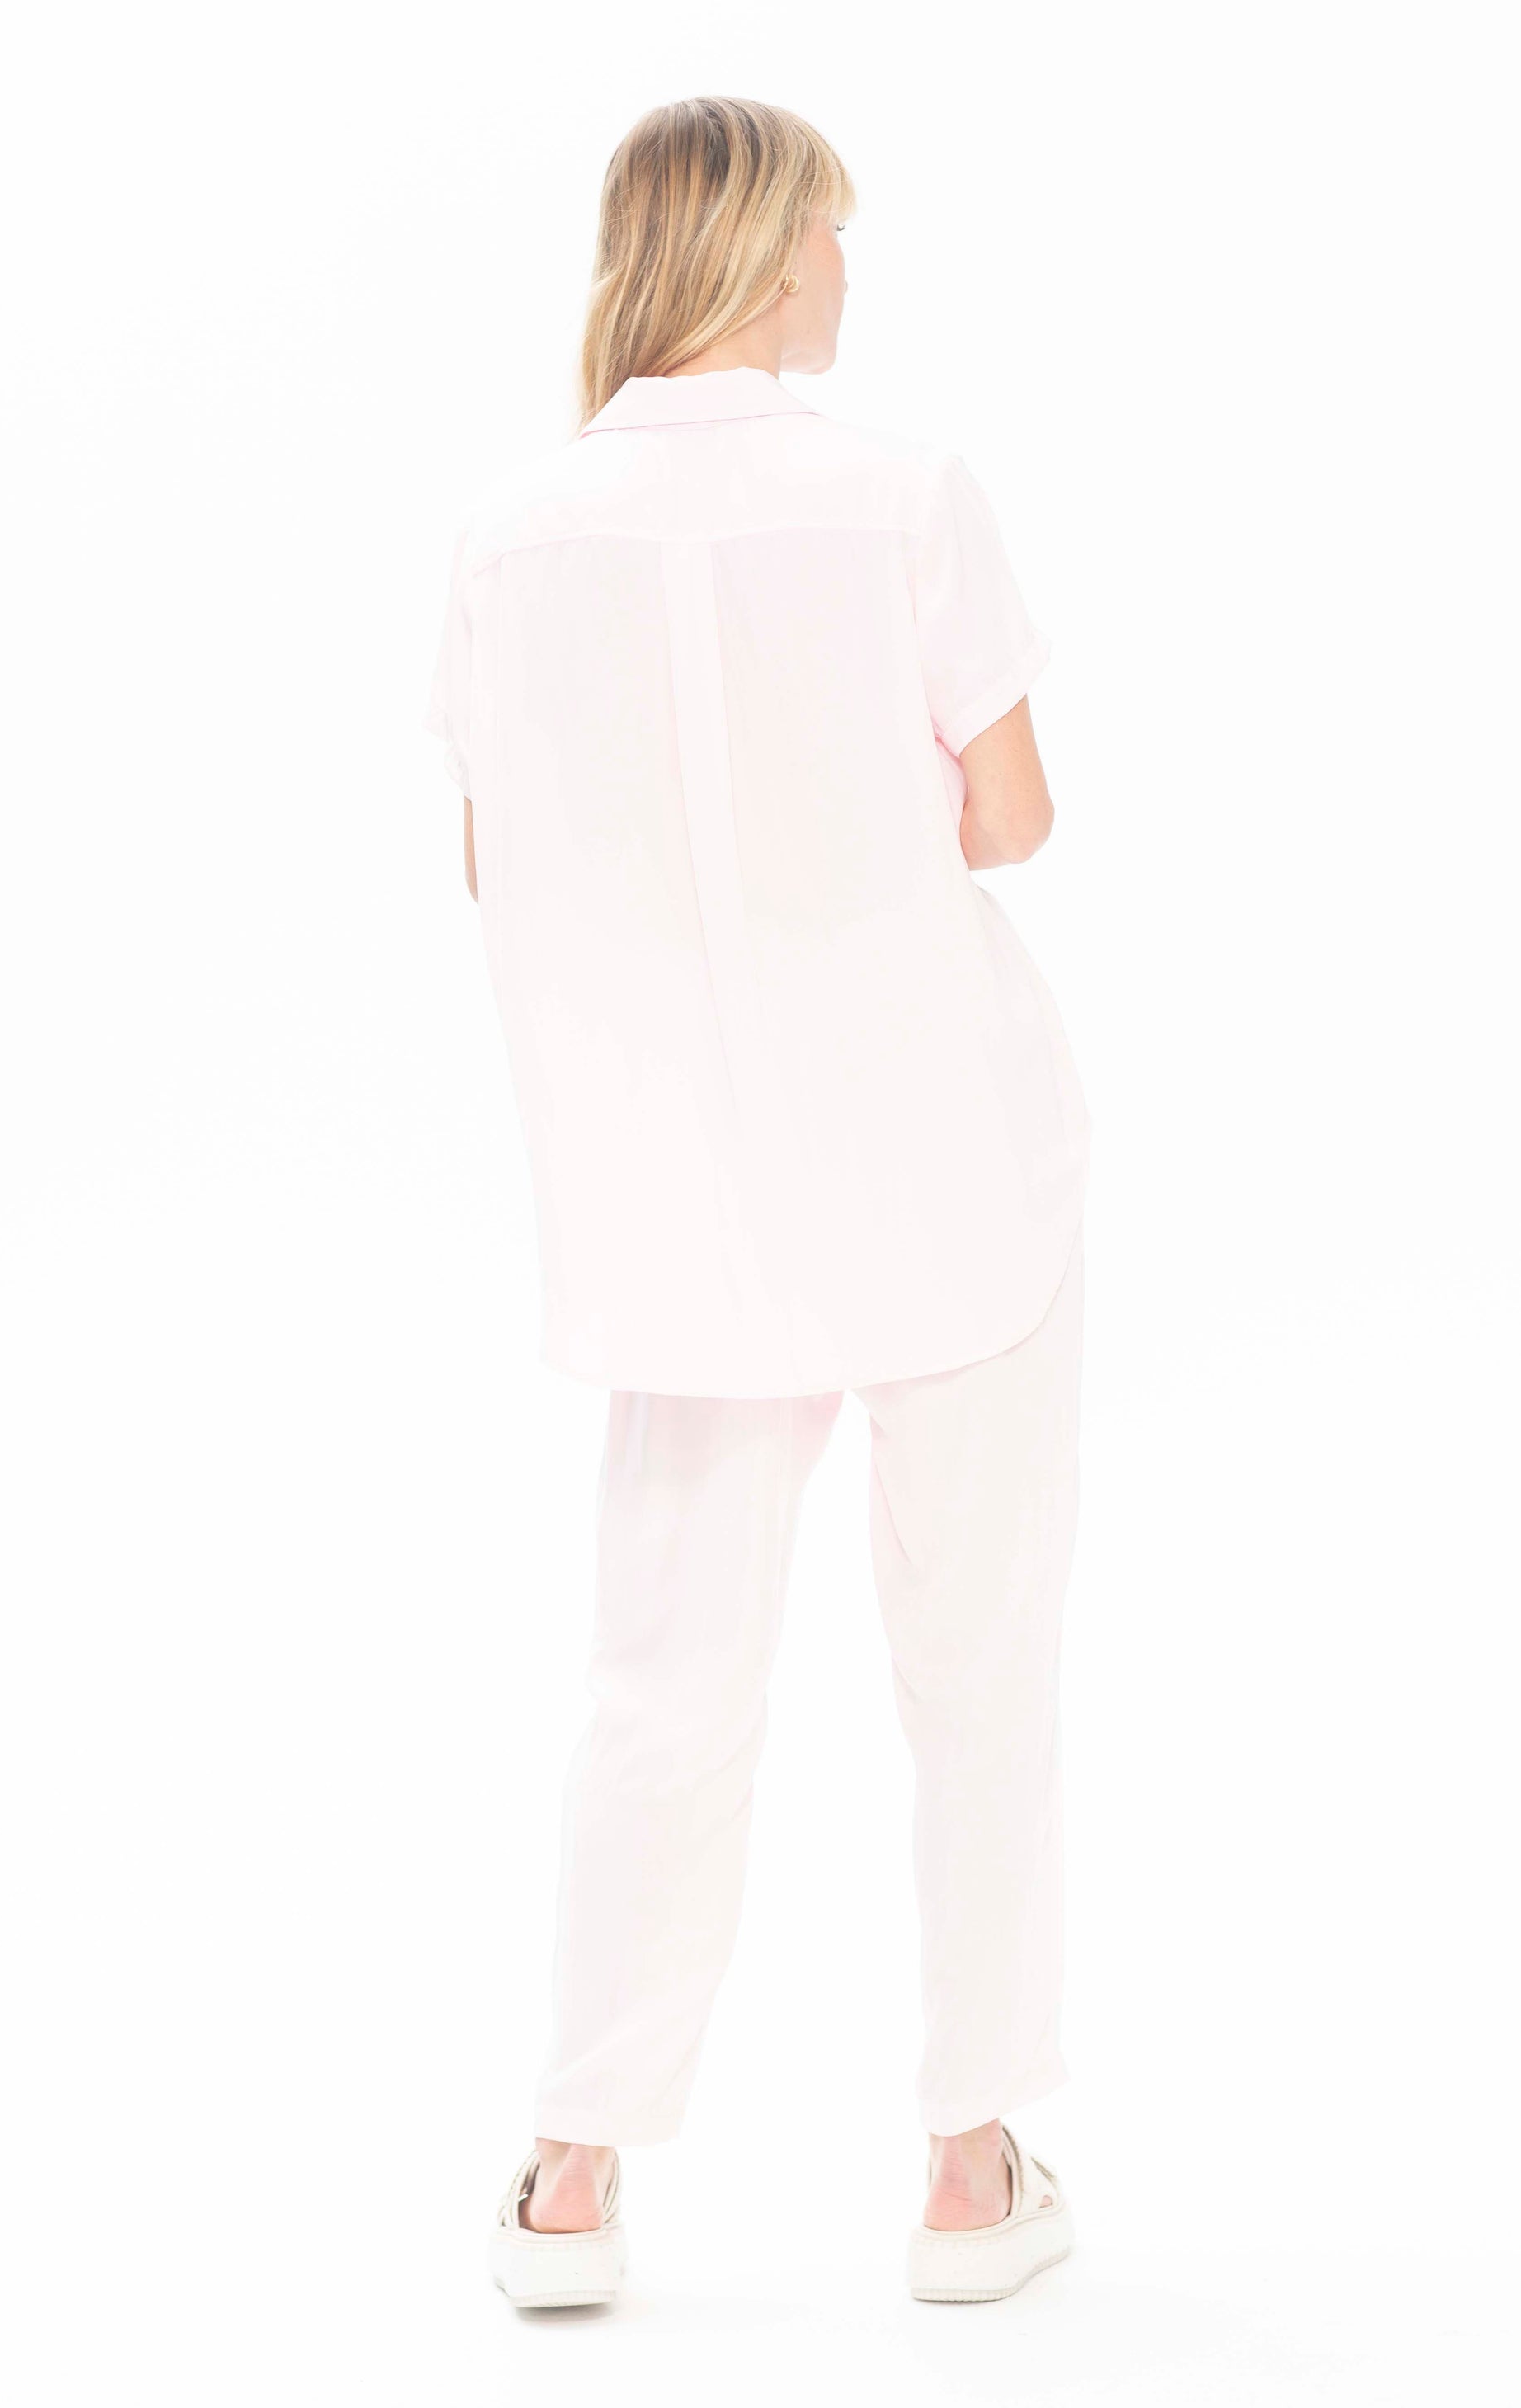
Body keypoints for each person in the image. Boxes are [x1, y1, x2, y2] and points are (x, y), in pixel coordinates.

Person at [424, 96, 1090, 2310]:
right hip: (939, 1164)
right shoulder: (903, 492)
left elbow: (494, 860)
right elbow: (1014, 817)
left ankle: (571, 2176)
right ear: (759, 249)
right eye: (829, 230)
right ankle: (971, 2170)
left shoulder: (512, 538)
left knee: (661, 1680)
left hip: (682, 1196)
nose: (845, 268)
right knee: (973, 1661)